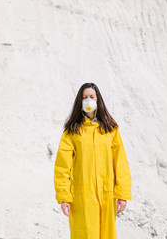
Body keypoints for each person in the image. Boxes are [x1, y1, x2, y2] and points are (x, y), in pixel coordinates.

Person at [53, 82, 132, 239]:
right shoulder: (72, 131)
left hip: (107, 195)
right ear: (79, 101)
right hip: (82, 197)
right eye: (85, 97)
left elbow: (120, 162)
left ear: (98, 100)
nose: (88, 100)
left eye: (91, 97)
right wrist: (64, 197)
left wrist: (122, 194)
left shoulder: (110, 128)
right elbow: (62, 167)